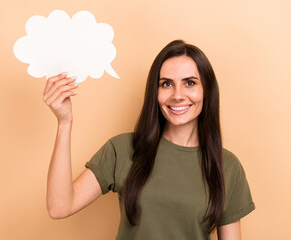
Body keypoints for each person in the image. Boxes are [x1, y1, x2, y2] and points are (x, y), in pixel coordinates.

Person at [43, 40, 255, 240]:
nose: (178, 95)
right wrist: (65, 122)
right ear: (155, 92)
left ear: (206, 90)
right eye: (166, 84)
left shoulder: (228, 166)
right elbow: (60, 206)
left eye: (190, 83)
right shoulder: (123, 149)